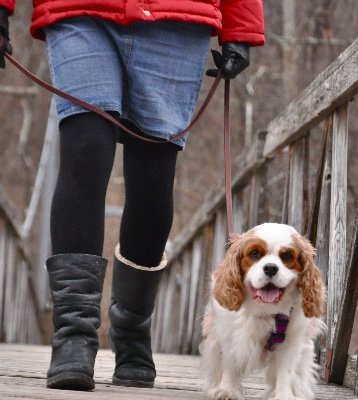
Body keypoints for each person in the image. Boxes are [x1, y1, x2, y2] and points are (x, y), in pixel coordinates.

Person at [0, 0, 265, 392]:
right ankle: (73, 337)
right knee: (85, 150)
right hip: (80, 11)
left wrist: (241, 27)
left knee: (154, 178)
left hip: (178, 19)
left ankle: (132, 330)